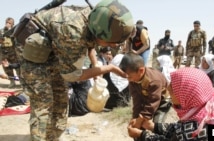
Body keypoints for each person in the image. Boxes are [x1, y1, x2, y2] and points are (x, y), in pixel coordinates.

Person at [15, 0, 134, 140]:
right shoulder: (73, 30)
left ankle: (53, 137)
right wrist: (108, 68)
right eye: (110, 43)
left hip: (54, 50)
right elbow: (71, 76)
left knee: (61, 98)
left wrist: (95, 65)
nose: (112, 46)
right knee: (43, 102)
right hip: (32, 52)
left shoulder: (95, 18)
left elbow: (90, 43)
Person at [127, 67, 214, 141]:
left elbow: (180, 136)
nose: (170, 95)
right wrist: (153, 126)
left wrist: (142, 135)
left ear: (186, 94)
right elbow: (180, 129)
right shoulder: (211, 104)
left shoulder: (198, 126)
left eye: (172, 91)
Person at [119, 52, 172, 138]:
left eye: (129, 77)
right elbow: (137, 100)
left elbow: (153, 101)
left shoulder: (153, 80)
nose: (128, 80)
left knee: (157, 126)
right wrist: (136, 118)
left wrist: (142, 117)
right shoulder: (133, 79)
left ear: (141, 70)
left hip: (163, 101)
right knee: (138, 126)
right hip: (148, 99)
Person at [0, 17, 20, 88]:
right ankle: (12, 82)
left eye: (9, 23)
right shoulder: (1, 31)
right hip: (4, 51)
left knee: (17, 66)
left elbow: (17, 40)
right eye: (6, 22)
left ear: (12, 24)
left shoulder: (15, 30)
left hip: (13, 51)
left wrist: (10, 32)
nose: (7, 24)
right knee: (6, 67)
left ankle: (22, 81)